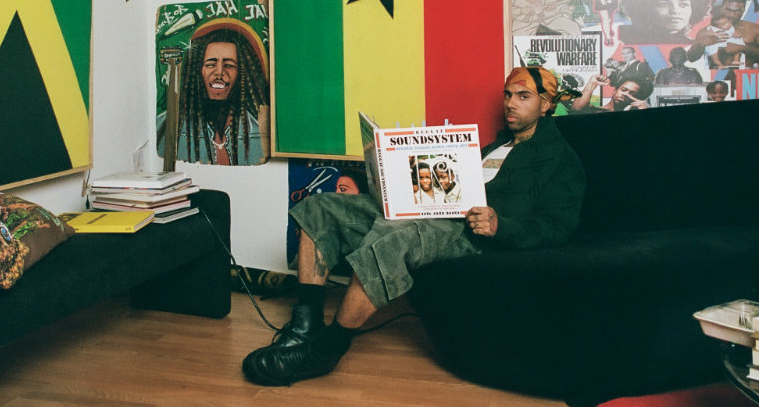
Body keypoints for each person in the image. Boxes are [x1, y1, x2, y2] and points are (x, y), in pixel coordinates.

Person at [242, 67, 586, 387]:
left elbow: (558, 226)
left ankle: (325, 350)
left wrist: (500, 226)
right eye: (508, 95)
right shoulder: (497, 146)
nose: (510, 103)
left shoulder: (561, 160)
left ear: (546, 105)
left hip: (465, 235)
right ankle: (305, 327)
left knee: (394, 236)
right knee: (320, 208)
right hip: (433, 212)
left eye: (523, 97)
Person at [158, 19, 269, 165]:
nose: (219, 72)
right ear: (197, 71)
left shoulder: (259, 132)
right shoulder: (164, 127)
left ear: (242, 74)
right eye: (210, 64)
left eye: (229, 65)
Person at [686, 0, 759, 68]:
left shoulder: (755, 29)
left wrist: (742, 48)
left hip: (744, 73)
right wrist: (700, 44)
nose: (732, 14)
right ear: (721, 8)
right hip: (717, 73)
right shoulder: (707, 31)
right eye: (728, 10)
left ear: (743, 10)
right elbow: (691, 58)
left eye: (737, 11)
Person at [570, 73, 652, 113]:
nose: (625, 94)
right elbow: (577, 109)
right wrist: (592, 83)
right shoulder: (598, 111)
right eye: (623, 90)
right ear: (615, 91)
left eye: (632, 94)